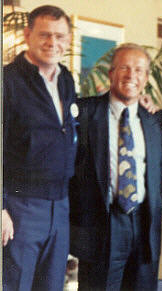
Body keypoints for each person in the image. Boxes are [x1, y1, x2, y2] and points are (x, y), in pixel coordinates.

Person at [68, 43, 162, 290]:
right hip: (101, 225)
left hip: (144, 225)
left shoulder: (156, 120)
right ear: (111, 73)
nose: (131, 75)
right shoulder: (83, 113)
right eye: (124, 67)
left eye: (138, 70)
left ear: (145, 78)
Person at [2, 5, 77, 290]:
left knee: (51, 286)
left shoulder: (66, 80)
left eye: (60, 36)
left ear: (68, 40)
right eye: (45, 35)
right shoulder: (7, 81)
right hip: (20, 207)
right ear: (27, 35)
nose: (52, 43)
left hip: (60, 207)